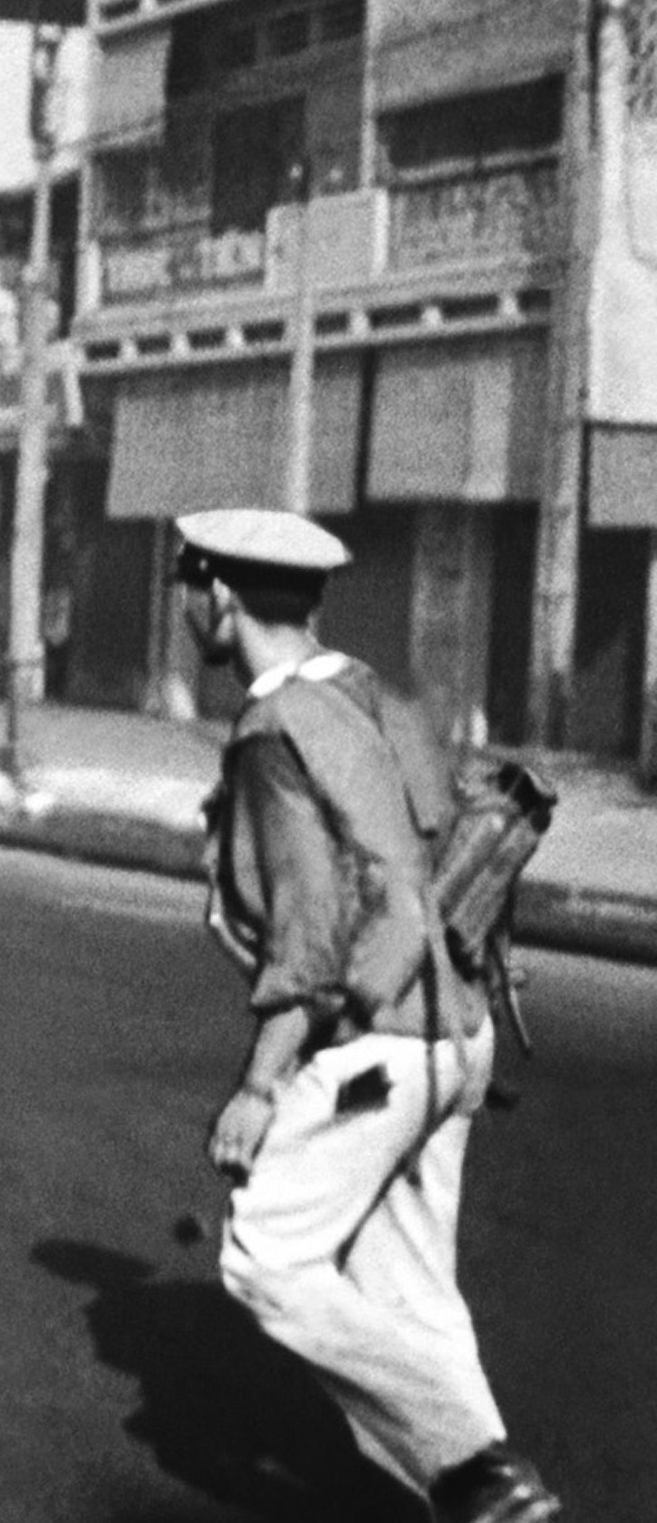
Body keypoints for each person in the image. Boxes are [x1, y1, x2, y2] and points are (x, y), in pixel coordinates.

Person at [179, 509, 564, 1523]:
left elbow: (313, 931)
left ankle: (476, 1466)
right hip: (460, 1032)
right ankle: (487, 1505)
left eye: (188, 589)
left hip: (375, 1046)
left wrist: (261, 1086)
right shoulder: (379, 697)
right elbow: (432, 852)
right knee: (415, 1296)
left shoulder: (272, 731)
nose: (186, 610)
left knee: (265, 1260)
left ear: (215, 594)